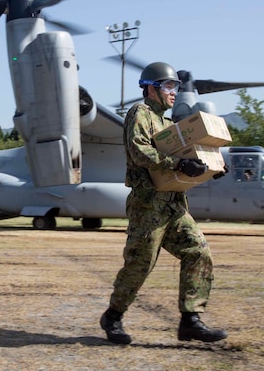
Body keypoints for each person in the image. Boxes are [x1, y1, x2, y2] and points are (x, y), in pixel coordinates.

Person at [100, 62, 228, 344]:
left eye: (176, 87)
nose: (174, 92)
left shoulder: (170, 125)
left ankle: (190, 321)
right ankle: (113, 316)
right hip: (148, 205)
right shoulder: (140, 113)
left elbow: (189, 156)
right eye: (169, 86)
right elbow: (138, 151)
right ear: (150, 88)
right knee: (140, 264)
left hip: (174, 204)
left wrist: (211, 166)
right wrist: (180, 163)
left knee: (198, 252)